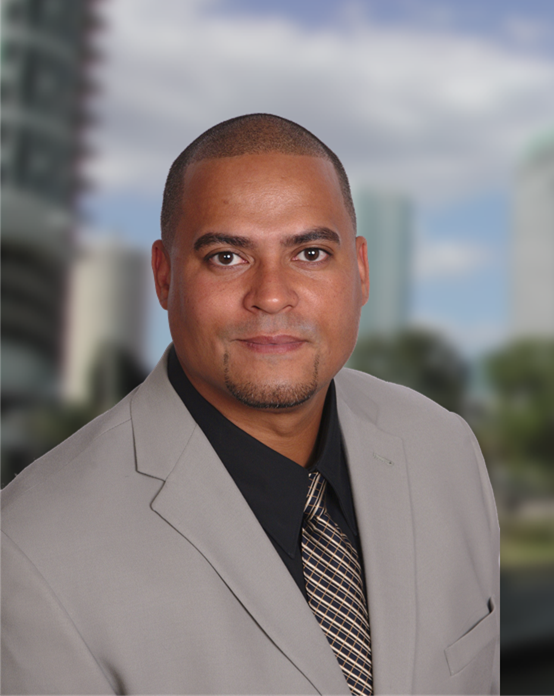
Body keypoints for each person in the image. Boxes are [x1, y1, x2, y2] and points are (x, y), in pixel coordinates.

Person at [0, 114, 499, 695]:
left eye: (310, 253)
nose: (271, 296)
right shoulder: (31, 550)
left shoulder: (445, 448)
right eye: (226, 257)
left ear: (360, 270)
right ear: (164, 276)